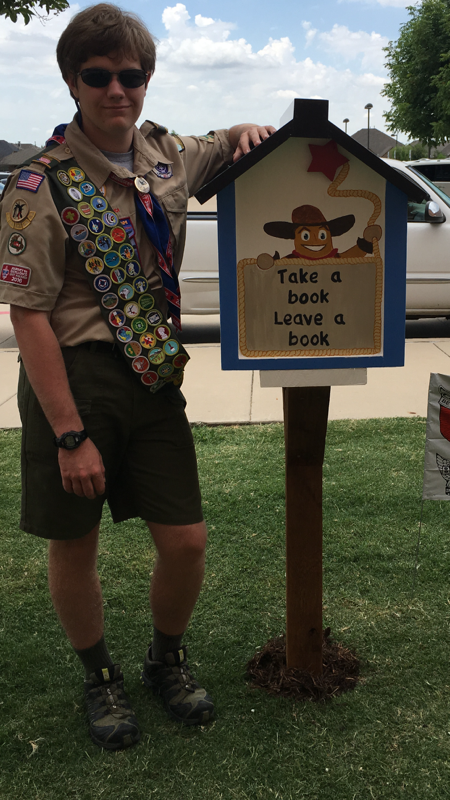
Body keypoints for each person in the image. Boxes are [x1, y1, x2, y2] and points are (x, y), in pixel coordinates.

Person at [0, 3, 275, 751]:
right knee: (74, 541)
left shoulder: (168, 155)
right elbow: (30, 317)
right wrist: (68, 434)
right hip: (76, 379)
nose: (116, 89)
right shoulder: (38, 184)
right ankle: (99, 677)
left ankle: (166, 660)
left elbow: (226, 144)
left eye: (131, 74)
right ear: (71, 80)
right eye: (98, 75)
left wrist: (249, 127)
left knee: (185, 539)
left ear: (147, 80)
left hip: (153, 376)